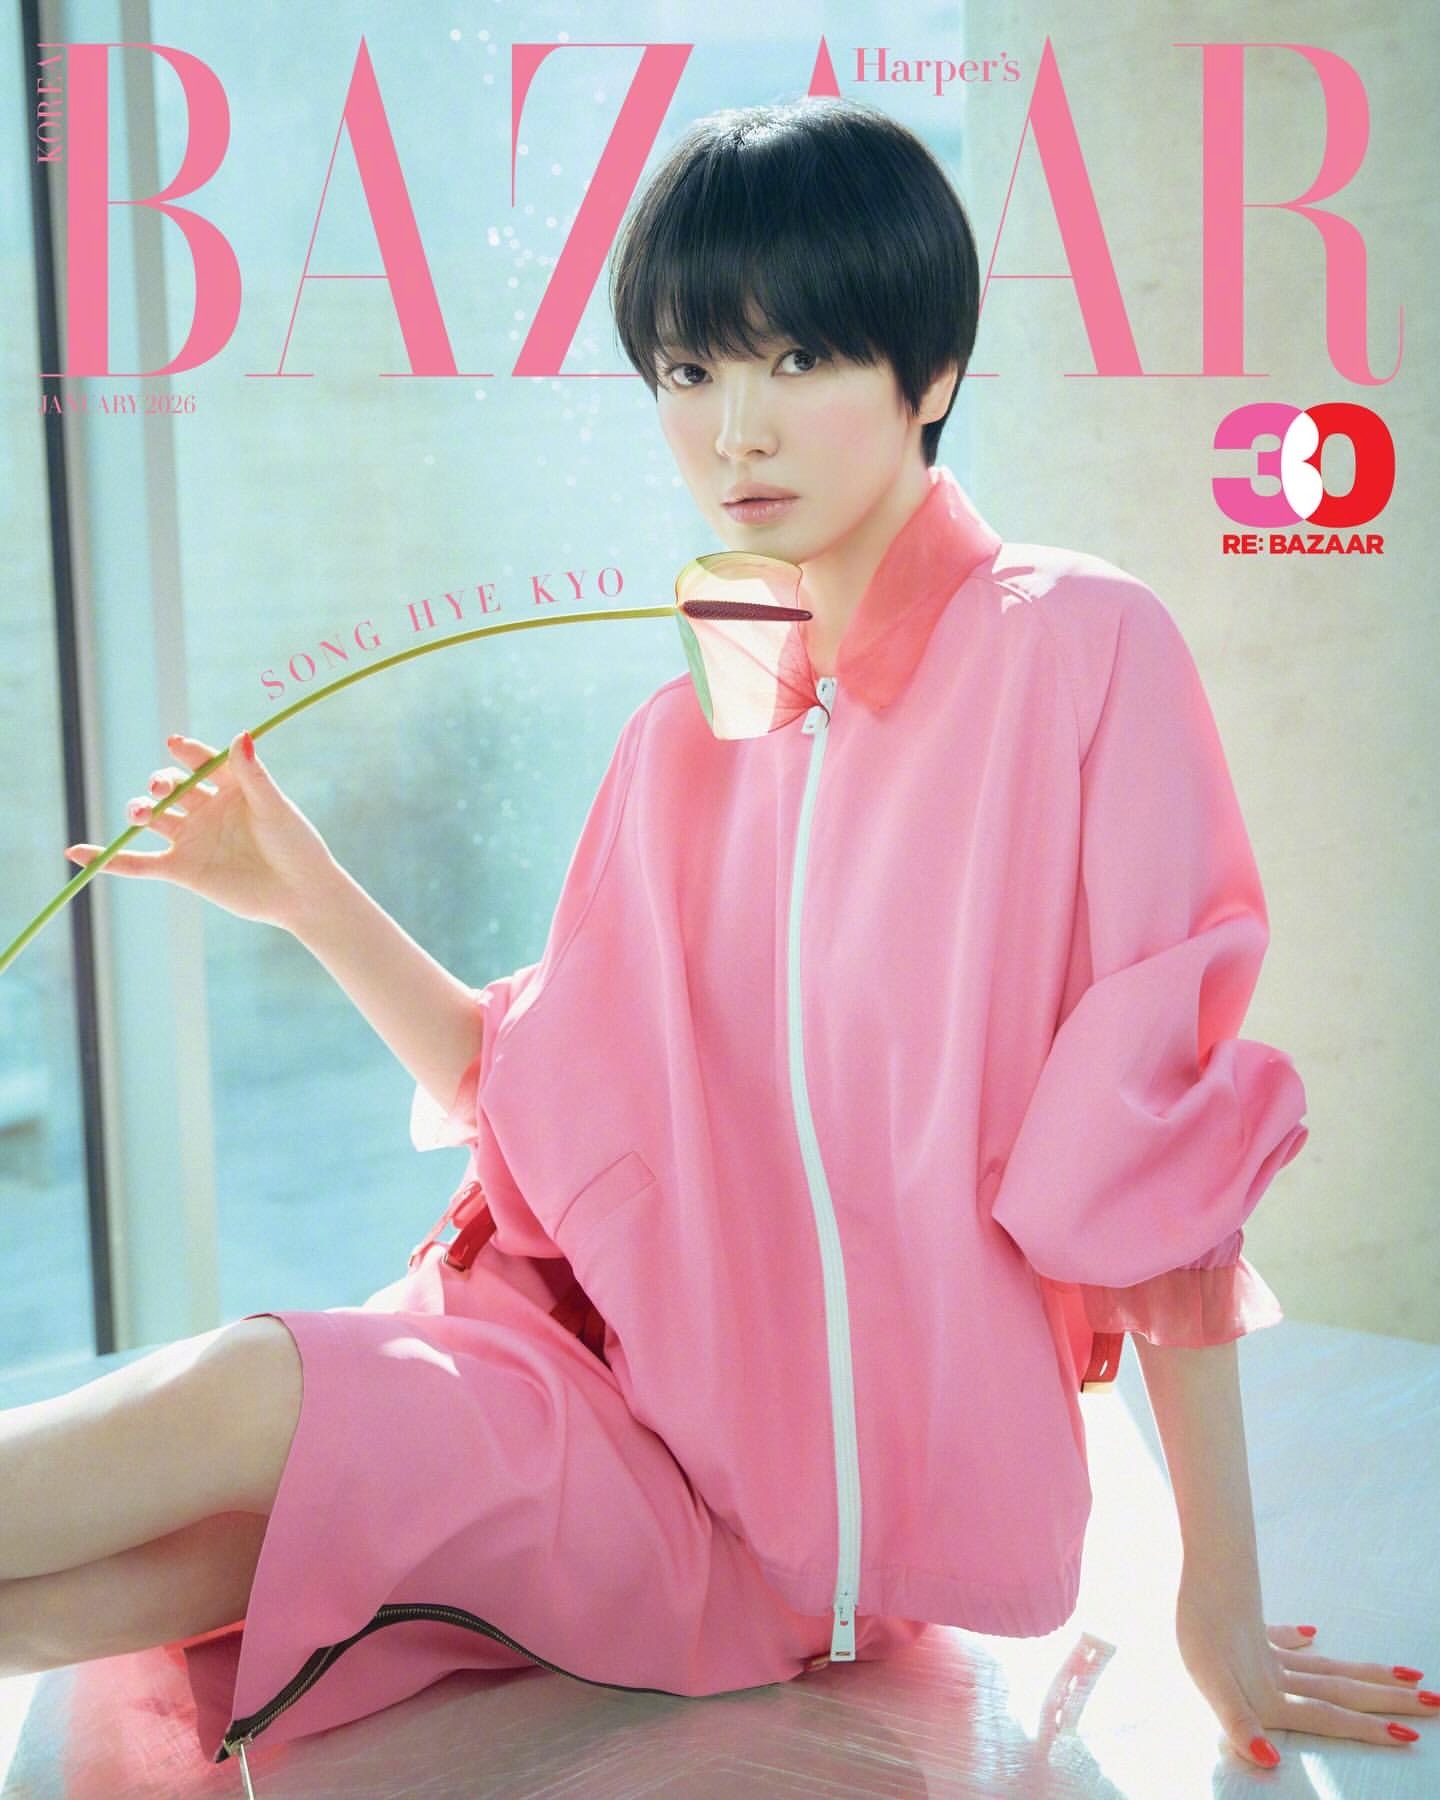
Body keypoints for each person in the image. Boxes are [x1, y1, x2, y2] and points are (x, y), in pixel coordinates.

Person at [5, 96, 1428, 1782]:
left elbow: (1148, 1162)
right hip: (569, 1390)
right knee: (102, 1581)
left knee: (251, 1408)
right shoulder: (686, 741)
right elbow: (526, 1081)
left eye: (798, 358)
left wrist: (1219, 1600)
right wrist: (303, 887)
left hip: (746, 1542)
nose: (734, 430)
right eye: (689, 371)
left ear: (932, 371)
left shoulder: (1079, 652)